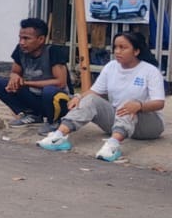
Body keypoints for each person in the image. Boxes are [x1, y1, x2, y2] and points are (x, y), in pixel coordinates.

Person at [38, 31, 164, 162]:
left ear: (136, 51)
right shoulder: (111, 67)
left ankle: (113, 145)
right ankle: (59, 136)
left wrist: (139, 105)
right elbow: (94, 92)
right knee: (89, 99)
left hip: (149, 125)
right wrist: (78, 97)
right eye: (115, 47)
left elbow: (159, 103)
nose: (117, 51)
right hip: (119, 120)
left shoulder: (150, 71)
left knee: (128, 104)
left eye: (123, 48)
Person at [0, 18, 71, 130]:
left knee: (49, 91)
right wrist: (14, 78)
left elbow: (60, 83)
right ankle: (31, 115)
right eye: (20, 38)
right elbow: (15, 72)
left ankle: (54, 121)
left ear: (41, 39)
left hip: (58, 101)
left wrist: (26, 83)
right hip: (35, 97)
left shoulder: (53, 52)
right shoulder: (20, 50)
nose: (22, 42)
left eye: (26, 39)